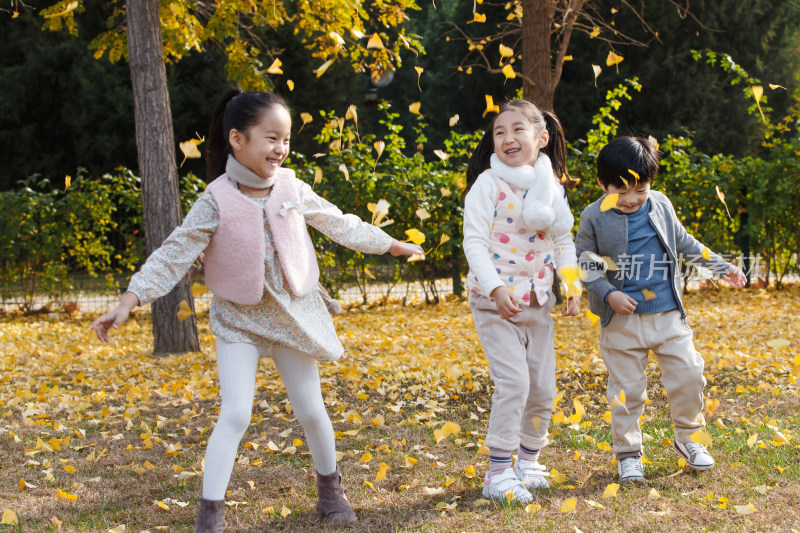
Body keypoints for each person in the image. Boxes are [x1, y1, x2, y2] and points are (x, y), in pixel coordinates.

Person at [91, 88, 423, 531]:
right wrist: (129, 300)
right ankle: (210, 515)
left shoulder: (291, 186)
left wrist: (390, 244)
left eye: (285, 139)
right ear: (237, 139)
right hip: (239, 322)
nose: (281, 148)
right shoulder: (215, 199)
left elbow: (337, 221)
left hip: (292, 315)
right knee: (235, 413)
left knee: (311, 409)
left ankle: (331, 492)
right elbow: (174, 254)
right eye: (271, 138)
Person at [574, 136, 746, 483]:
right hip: (620, 321)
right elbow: (585, 264)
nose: (632, 199)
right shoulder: (593, 215)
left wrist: (720, 266)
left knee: (689, 373)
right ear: (601, 184)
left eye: (640, 189)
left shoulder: (661, 205)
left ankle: (689, 438)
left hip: (667, 314)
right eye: (620, 192)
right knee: (627, 390)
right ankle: (628, 454)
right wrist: (608, 294)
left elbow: (684, 242)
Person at [462, 99, 581, 504]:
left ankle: (527, 462)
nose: (508, 138)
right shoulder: (487, 185)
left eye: (517, 130)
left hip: (538, 303)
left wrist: (572, 286)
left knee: (543, 388)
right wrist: (495, 289)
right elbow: (474, 242)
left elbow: (563, 240)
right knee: (514, 382)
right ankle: (497, 474)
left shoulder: (551, 189)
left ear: (541, 138)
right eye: (499, 132)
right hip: (494, 303)